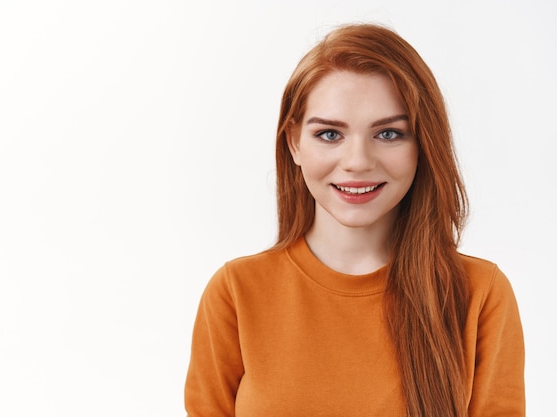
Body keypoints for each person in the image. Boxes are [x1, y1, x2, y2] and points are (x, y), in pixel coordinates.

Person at [184, 23, 525, 417]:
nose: (358, 162)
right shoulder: (235, 293)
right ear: (294, 142)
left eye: (389, 134)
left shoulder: (480, 294)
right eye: (330, 134)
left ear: (422, 144)